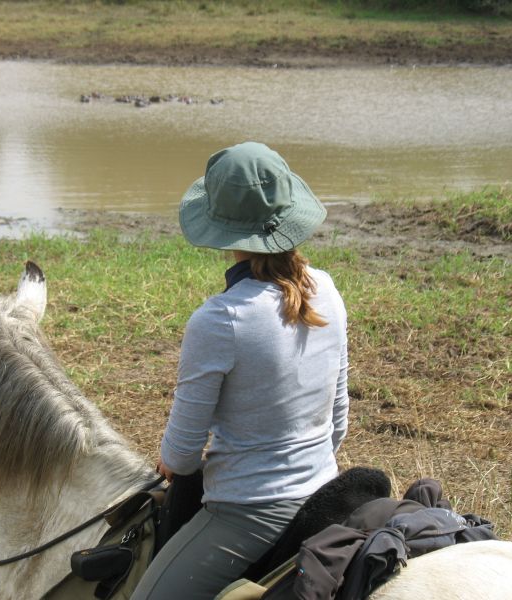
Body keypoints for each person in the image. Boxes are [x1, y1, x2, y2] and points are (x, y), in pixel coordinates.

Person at [131, 142, 349, 600]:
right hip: (325, 491)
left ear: (221, 228)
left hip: (247, 515)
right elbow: (338, 417)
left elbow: (184, 457)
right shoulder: (326, 288)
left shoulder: (219, 319)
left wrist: (169, 461)